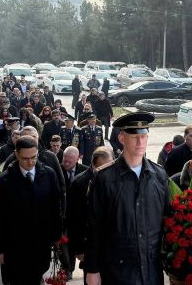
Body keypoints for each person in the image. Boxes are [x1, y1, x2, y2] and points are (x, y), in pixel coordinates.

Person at [86, 112, 169, 285]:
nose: (140, 142)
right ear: (122, 138)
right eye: (134, 136)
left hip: (151, 268)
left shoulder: (159, 175)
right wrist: (92, 269)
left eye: (144, 135)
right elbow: (94, 226)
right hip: (118, 270)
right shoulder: (104, 178)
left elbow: (166, 219)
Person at [0, 136, 63, 285]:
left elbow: (56, 207)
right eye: (25, 159)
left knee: (37, 276)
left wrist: (57, 236)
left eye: (34, 157)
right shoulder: (4, 181)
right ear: (17, 155)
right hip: (15, 247)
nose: (30, 162)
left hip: (41, 244)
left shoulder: (48, 174)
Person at [67, 147, 114, 285]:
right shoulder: (79, 183)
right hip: (90, 246)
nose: (107, 170)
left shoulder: (116, 179)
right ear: (94, 165)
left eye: (110, 166)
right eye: (102, 167)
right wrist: (78, 249)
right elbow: (73, 219)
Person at [58, 146, 89, 280]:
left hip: (79, 216)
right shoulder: (57, 169)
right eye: (64, 160)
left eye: (69, 161)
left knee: (81, 242)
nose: (65, 163)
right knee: (65, 244)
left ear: (77, 159)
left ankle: (85, 263)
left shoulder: (85, 172)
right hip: (63, 215)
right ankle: (67, 268)